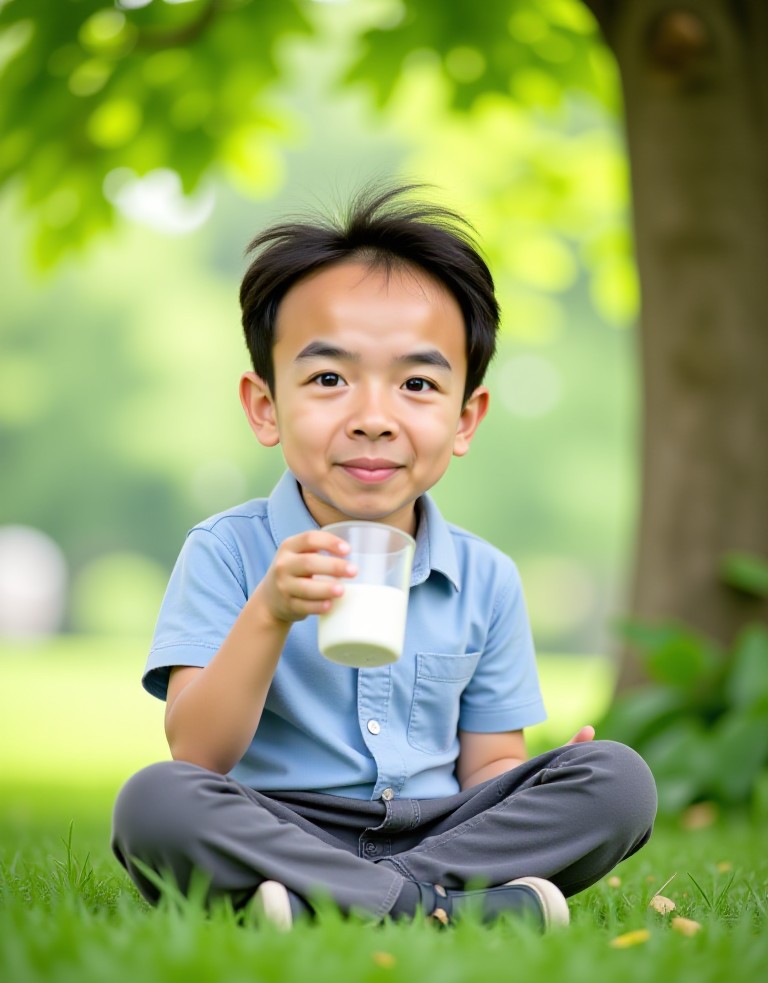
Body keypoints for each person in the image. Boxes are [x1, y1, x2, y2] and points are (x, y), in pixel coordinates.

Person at [112, 184, 657, 931]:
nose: (373, 419)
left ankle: (329, 903)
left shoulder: (486, 577)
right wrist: (270, 613)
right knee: (156, 801)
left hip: (442, 831)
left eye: (417, 384)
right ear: (266, 406)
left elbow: (489, 764)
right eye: (329, 379)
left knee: (616, 779)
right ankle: (445, 912)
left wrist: (527, 781)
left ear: (465, 419)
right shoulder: (226, 551)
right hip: (280, 823)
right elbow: (199, 754)